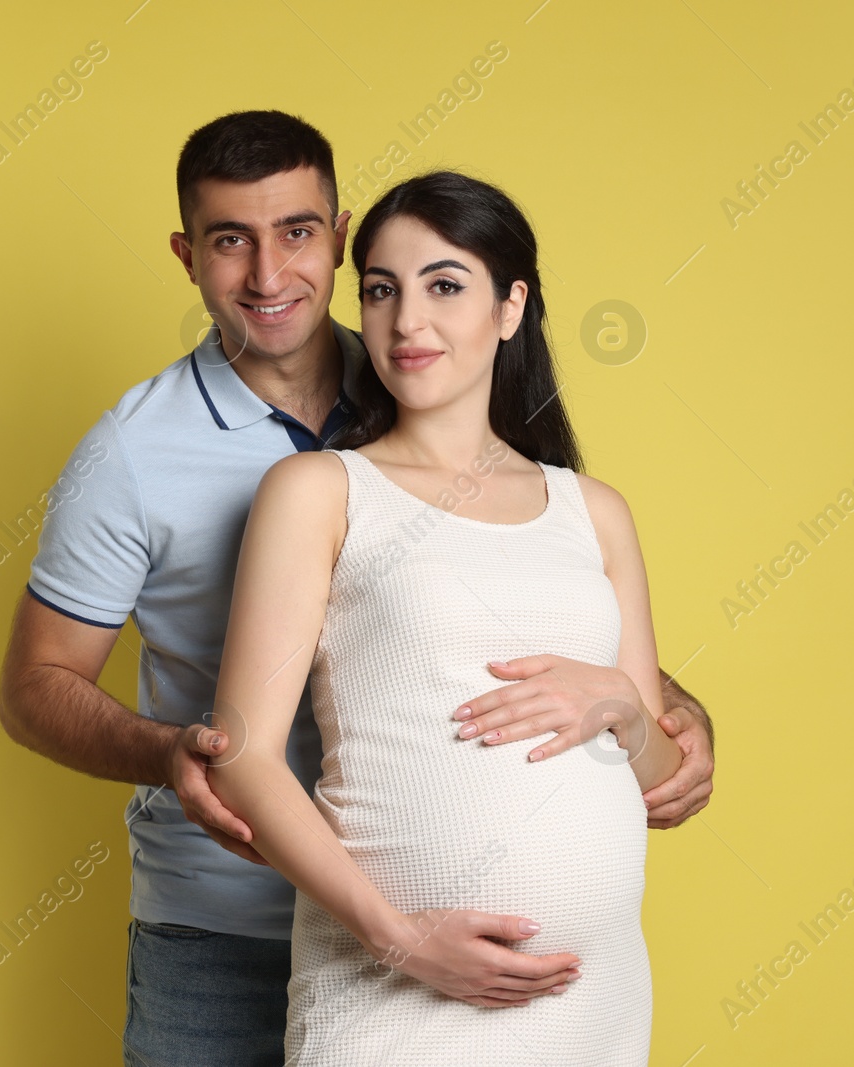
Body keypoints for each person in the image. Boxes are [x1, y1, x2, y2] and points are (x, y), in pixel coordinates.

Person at [0, 110, 716, 1067]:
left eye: (296, 232)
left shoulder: (421, 377)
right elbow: (34, 687)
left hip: (560, 988)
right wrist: (181, 750)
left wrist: (654, 704)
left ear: (337, 236)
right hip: (232, 918)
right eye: (228, 240)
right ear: (187, 255)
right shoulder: (138, 454)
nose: (266, 272)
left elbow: (502, 620)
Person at [203, 169, 672, 1065]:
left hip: (592, 1001)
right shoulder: (322, 491)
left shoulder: (595, 510)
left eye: (444, 286)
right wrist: (400, 939)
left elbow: (657, 775)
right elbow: (243, 756)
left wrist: (619, 702)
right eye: (380, 290)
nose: (406, 322)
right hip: (393, 992)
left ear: (510, 306)